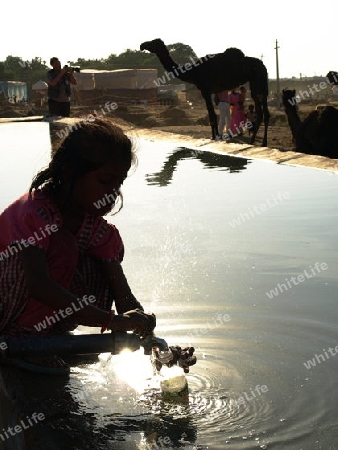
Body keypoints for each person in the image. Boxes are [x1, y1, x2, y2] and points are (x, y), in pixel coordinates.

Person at [0, 119, 157, 375]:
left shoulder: (96, 228)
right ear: (69, 174)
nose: (114, 193)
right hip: (7, 310)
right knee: (63, 245)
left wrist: (140, 322)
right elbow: (38, 285)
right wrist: (110, 321)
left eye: (119, 183)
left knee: (104, 257)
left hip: (45, 318)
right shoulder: (33, 213)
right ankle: (25, 339)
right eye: (105, 182)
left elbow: (122, 296)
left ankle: (50, 335)